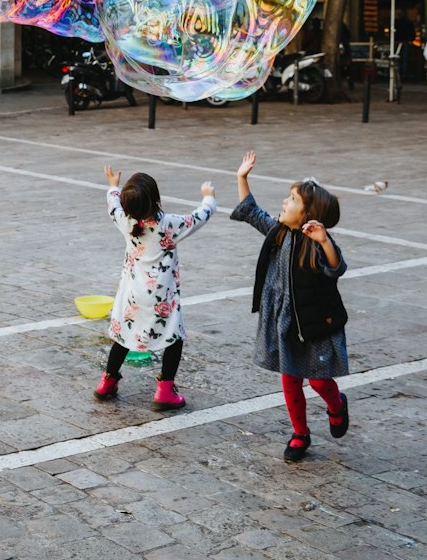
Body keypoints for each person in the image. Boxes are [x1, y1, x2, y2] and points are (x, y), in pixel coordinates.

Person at [232, 150, 348, 463]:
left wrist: (324, 241)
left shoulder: (317, 244)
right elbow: (252, 212)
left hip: (313, 323)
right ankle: (300, 433)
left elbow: (337, 268)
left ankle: (337, 405)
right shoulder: (279, 233)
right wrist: (243, 178)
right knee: (290, 377)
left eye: (292, 200)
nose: (285, 202)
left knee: (320, 379)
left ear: (310, 214)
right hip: (285, 320)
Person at [96, 164, 217, 409]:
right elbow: (200, 217)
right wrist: (208, 197)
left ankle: (107, 382)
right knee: (174, 338)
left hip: (131, 295)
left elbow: (113, 205)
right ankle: (164, 391)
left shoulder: (125, 221)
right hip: (162, 298)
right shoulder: (168, 224)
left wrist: (113, 185)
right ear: (156, 200)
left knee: (122, 337)